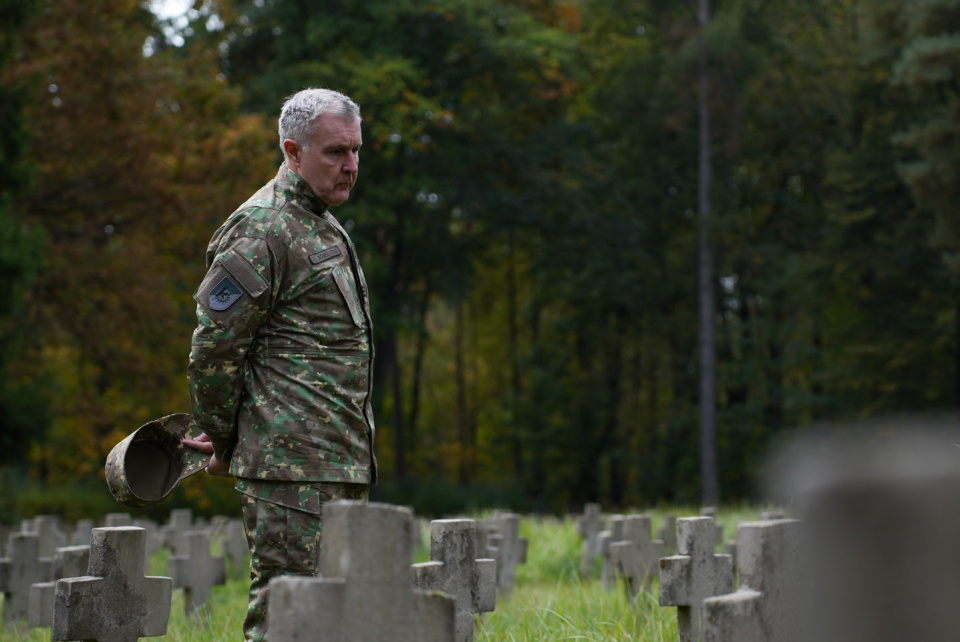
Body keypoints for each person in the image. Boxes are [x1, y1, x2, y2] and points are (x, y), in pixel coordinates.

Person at [182, 87, 377, 642]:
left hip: (339, 463)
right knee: (288, 623)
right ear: (293, 152)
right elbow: (214, 351)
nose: (351, 166)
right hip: (289, 471)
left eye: (356, 150)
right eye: (335, 152)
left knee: (338, 624)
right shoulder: (263, 227)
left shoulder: (321, 221)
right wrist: (222, 440)